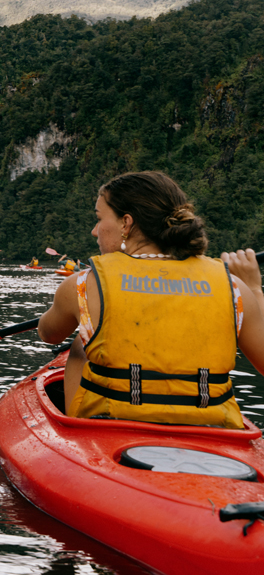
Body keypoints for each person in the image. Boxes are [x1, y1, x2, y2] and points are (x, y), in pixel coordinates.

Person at [37, 171, 264, 428]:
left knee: (80, 344)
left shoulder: (83, 285)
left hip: (109, 428)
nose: (94, 231)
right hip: (211, 429)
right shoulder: (234, 287)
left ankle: (75, 428)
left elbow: (48, 333)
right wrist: (255, 289)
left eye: (99, 219)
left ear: (126, 223)